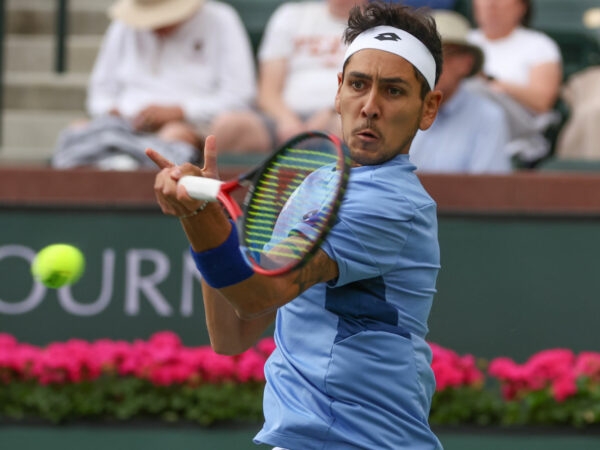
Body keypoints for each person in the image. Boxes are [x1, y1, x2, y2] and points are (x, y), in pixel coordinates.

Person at [147, 1, 444, 448]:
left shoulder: (389, 203)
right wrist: (209, 219)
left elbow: (259, 291)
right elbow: (233, 332)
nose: (370, 107)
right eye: (359, 85)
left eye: (394, 91)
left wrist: (200, 216)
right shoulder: (317, 185)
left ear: (428, 108)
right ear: (338, 90)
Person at [52, 0, 256, 170]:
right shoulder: (122, 27)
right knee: (78, 129)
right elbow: (100, 92)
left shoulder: (220, 20)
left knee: (174, 134)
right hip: (123, 124)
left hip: (192, 126)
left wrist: (180, 111)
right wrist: (113, 111)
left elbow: (239, 95)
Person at [210, 0, 367, 154]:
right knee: (229, 125)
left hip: (339, 114)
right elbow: (267, 92)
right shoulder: (291, 15)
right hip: (280, 119)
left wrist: (332, 111)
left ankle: (331, 179)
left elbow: (369, 90)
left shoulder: (379, 25)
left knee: (348, 128)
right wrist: (287, 120)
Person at [409, 9, 513, 173]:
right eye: (423, 54)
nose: (431, 64)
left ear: (467, 63)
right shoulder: (397, 109)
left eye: (442, 54)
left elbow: (488, 191)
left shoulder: (488, 117)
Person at [464, 0, 563, 166]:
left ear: (522, 7)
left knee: (473, 88)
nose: (491, 4)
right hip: (458, 129)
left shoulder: (539, 44)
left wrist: (490, 82)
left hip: (519, 129)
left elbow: (543, 101)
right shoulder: (463, 41)